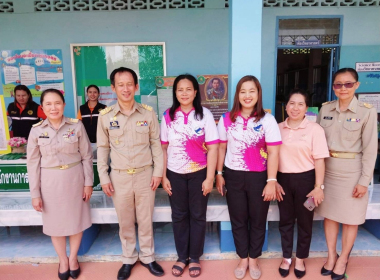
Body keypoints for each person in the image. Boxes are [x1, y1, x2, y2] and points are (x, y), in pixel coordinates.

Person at [97, 67, 164, 280]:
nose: (125, 89)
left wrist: (158, 173)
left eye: (129, 84)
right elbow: (103, 149)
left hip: (146, 175)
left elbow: (156, 145)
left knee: (145, 219)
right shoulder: (105, 116)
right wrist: (104, 177)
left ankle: (148, 257)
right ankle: (128, 259)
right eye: (120, 85)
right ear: (113, 88)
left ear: (136, 86)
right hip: (119, 177)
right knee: (125, 221)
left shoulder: (148, 113)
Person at [216, 75, 282, 280]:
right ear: (237, 94)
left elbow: (274, 153)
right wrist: (219, 173)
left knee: (257, 219)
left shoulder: (267, 120)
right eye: (243, 91)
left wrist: (271, 181)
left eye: (252, 91)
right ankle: (242, 257)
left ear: (258, 94)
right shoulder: (227, 119)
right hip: (233, 175)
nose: (247, 95)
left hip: (259, 177)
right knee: (238, 219)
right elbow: (220, 148)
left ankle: (254, 258)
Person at [316, 68, 377, 280]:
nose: (343, 88)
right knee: (330, 216)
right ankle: (332, 256)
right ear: (333, 86)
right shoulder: (325, 109)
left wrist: (364, 181)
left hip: (353, 171)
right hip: (328, 169)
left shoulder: (366, 111)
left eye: (348, 84)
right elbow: (315, 143)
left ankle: (343, 259)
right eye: (338, 84)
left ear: (356, 85)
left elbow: (370, 149)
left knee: (351, 219)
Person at [27, 89, 93, 280]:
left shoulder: (76, 126)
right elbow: (32, 164)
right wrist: (35, 194)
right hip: (50, 183)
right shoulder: (36, 130)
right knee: (54, 224)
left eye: (57, 103)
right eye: (48, 104)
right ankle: (62, 260)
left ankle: (73, 259)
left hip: (75, 179)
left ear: (64, 105)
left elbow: (87, 156)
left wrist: (88, 183)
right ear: (42, 108)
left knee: (76, 221)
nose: (53, 107)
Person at [160, 74, 219, 278]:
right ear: (175, 93)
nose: (184, 93)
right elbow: (163, 148)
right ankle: (182, 256)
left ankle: (194, 257)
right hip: (174, 174)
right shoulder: (168, 115)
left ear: (195, 92)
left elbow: (213, 148)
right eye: (179, 90)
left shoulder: (205, 116)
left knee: (197, 215)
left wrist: (209, 178)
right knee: (178, 216)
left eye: (188, 89)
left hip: (199, 173)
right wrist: (163, 176)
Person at [275, 89, 330, 279]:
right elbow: (271, 157)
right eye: (291, 103)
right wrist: (273, 180)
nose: (295, 108)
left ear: (307, 107)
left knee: (305, 222)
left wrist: (318, 187)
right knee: (285, 221)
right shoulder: (278, 128)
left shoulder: (315, 130)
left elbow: (320, 160)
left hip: (307, 180)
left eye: (300, 104)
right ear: (286, 106)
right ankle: (286, 258)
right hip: (283, 180)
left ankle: (300, 258)